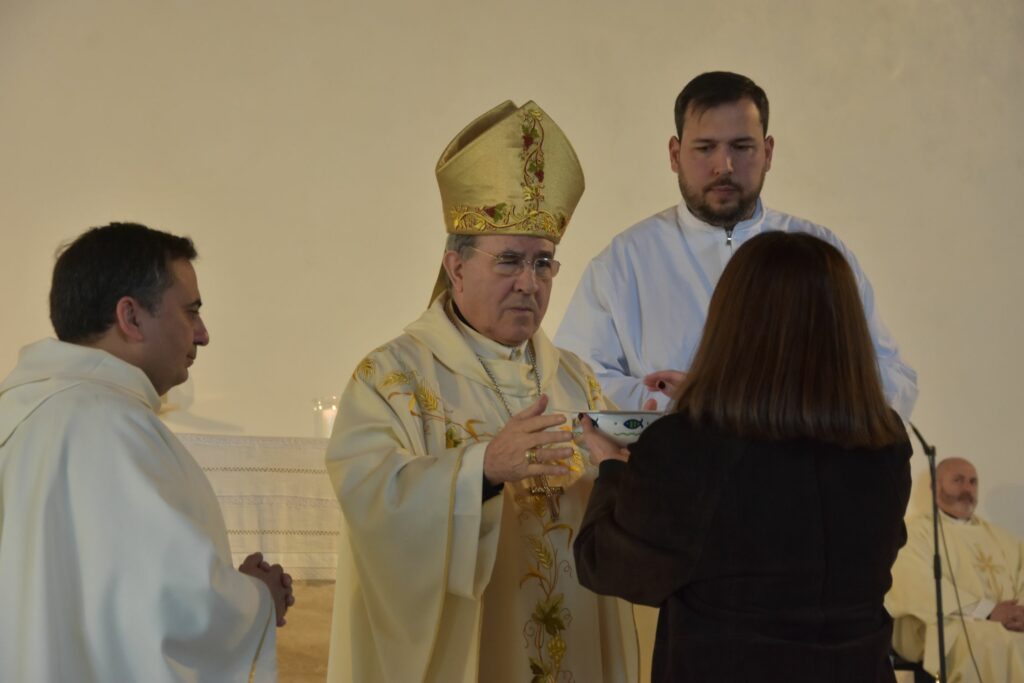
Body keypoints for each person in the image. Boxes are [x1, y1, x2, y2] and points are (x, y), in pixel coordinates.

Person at [325, 101, 638, 682]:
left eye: (544, 263)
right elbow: (371, 505)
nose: (530, 282)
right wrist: (482, 471)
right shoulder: (392, 378)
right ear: (456, 266)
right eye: (511, 261)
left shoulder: (576, 379)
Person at [573, 231, 913, 682]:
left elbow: (609, 565)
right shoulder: (885, 444)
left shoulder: (690, 445)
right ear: (846, 327)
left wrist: (612, 468)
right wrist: (706, 398)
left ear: (733, 323)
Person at [0, 223, 294, 682]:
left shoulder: (23, 411)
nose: (202, 334)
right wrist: (257, 599)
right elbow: (172, 603)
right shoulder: (105, 424)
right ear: (131, 318)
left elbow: (115, 590)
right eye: (190, 312)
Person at [554, 71, 917, 418]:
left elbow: (891, 379)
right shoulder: (624, 263)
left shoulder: (820, 254)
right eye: (705, 148)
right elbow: (575, 384)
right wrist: (682, 406)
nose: (723, 166)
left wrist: (775, 403)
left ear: (768, 152)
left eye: (741, 147)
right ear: (675, 155)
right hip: (678, 476)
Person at [886, 457, 1024, 682]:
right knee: (990, 641)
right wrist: (988, 611)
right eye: (958, 480)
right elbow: (915, 585)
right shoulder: (916, 533)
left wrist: (1020, 613)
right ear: (935, 486)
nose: (967, 489)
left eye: (973, 482)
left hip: (1005, 624)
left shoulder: (1002, 538)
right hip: (946, 625)